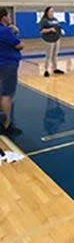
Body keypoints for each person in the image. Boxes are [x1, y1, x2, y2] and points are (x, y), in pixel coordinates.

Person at [0, 9, 24, 162]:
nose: (10, 18)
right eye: (8, 16)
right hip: (7, 64)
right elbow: (19, 45)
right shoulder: (5, 31)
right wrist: (14, 32)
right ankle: (6, 125)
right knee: (7, 94)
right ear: (3, 17)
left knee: (1, 93)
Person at [38, 6, 65, 77]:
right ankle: (46, 70)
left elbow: (58, 27)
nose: (52, 12)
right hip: (48, 40)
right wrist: (50, 29)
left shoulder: (55, 19)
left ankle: (55, 68)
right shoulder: (44, 20)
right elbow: (41, 31)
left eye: (53, 11)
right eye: (51, 11)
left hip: (56, 38)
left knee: (55, 55)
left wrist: (61, 30)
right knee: (48, 55)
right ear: (47, 12)